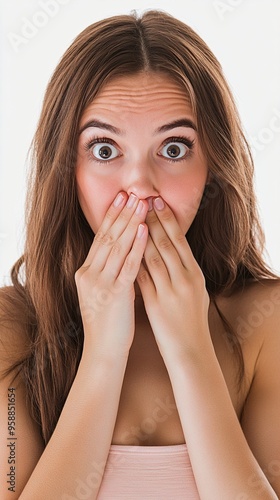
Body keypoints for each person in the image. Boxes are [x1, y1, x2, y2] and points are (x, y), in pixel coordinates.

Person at [0, 9, 279, 499]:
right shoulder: (11, 328)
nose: (141, 187)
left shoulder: (267, 322)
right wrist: (103, 353)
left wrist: (190, 348)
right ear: (67, 171)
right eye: (105, 150)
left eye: (174, 148)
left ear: (213, 165)